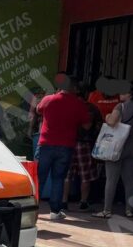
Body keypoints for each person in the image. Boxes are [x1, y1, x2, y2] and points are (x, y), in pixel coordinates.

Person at [34, 73, 91, 221]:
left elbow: (38, 110)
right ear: (74, 88)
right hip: (66, 146)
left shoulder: (48, 99)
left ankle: (32, 210)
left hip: (45, 144)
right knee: (58, 178)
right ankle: (55, 211)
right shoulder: (79, 104)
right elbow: (87, 125)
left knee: (39, 178)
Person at [94, 79, 133, 219]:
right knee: (129, 179)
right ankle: (129, 210)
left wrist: (108, 116)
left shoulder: (121, 106)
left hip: (117, 145)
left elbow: (112, 122)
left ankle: (107, 210)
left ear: (130, 93)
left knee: (111, 179)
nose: (119, 93)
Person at [64, 84, 103, 211]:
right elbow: (90, 126)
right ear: (86, 94)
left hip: (68, 142)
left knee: (67, 174)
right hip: (84, 144)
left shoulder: (67, 106)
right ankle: (83, 202)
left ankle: (64, 201)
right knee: (85, 175)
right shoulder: (91, 108)